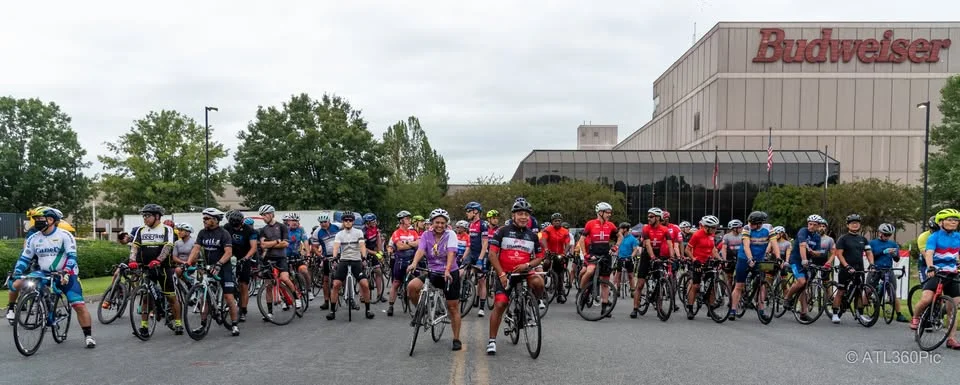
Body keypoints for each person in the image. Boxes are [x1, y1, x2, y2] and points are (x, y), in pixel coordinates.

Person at [9, 207, 96, 348]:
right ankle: (43, 303)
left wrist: (66, 271)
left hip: (66, 273)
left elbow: (72, 257)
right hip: (44, 273)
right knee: (22, 282)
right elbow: (24, 258)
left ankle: (88, 336)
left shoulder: (64, 235)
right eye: (35, 219)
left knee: (78, 305)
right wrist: (16, 271)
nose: (36, 222)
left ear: (50, 220)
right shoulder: (34, 237)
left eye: (39, 219)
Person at [486, 198, 545, 355]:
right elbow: (492, 254)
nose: (523, 217)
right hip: (505, 273)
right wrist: (501, 274)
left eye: (526, 214)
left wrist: (528, 265)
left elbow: (540, 256)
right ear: (513, 215)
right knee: (500, 305)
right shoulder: (502, 231)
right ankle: (492, 341)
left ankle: (532, 303)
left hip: (524, 271)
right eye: (520, 214)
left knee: (539, 282)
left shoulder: (532, 236)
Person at [405, 208, 463, 351]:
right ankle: (422, 312)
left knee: (453, 307)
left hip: (449, 273)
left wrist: (448, 270)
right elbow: (421, 250)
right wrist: (414, 263)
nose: (440, 225)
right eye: (437, 222)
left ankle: (456, 338)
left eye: (443, 223)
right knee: (411, 287)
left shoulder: (451, 234)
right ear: (432, 222)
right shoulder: (426, 234)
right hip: (432, 272)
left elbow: (451, 253)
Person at [127, 204, 182, 337]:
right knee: (146, 297)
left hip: (163, 268)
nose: (145, 218)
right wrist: (132, 260)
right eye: (143, 215)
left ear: (157, 216)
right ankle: (144, 327)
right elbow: (134, 247)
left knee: (170, 296)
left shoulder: (166, 229)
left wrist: (159, 260)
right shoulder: (141, 230)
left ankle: (178, 323)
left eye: (147, 215)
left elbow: (167, 247)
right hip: (147, 268)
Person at [186, 208, 240, 336]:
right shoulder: (202, 233)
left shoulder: (223, 233)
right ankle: (203, 324)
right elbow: (196, 249)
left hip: (223, 267)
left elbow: (228, 252)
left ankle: (234, 324)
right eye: (203, 218)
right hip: (209, 267)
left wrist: (220, 264)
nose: (204, 220)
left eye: (206, 218)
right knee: (203, 297)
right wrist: (188, 263)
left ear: (215, 220)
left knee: (228, 296)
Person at [910, 208, 960, 349]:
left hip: (952, 273)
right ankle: (916, 317)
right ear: (941, 222)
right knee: (926, 299)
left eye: (956, 220)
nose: (953, 222)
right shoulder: (934, 237)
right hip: (936, 272)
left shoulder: (958, 237)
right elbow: (929, 253)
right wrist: (931, 267)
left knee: (953, 306)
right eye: (950, 220)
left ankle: (951, 339)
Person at [728, 211, 780, 321]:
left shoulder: (769, 228)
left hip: (760, 259)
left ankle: (761, 310)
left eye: (753, 224)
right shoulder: (747, 228)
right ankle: (732, 310)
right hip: (744, 258)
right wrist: (750, 258)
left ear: (760, 223)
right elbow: (746, 245)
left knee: (762, 284)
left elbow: (774, 243)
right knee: (739, 285)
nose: (750, 225)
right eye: (750, 223)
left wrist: (779, 257)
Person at [327, 212, 375, 320]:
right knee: (336, 284)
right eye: (346, 220)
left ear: (353, 222)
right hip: (343, 261)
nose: (348, 222)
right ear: (343, 222)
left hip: (356, 261)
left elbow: (362, 245)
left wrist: (363, 256)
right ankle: (332, 311)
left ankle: (368, 310)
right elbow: (336, 246)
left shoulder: (358, 232)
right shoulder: (339, 234)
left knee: (365, 284)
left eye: (350, 220)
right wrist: (334, 257)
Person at [257, 205, 302, 320]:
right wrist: (277, 241)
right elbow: (262, 245)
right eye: (262, 215)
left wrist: (270, 243)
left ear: (272, 214)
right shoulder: (263, 230)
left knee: (285, 279)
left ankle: (296, 299)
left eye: (265, 214)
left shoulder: (282, 227)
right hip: (268, 258)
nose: (263, 217)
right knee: (268, 286)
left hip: (281, 258)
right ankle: (270, 312)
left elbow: (285, 244)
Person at [578, 202, 620, 318]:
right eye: (607, 212)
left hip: (606, 254)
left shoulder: (610, 225)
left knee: (605, 282)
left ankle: (604, 308)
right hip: (593, 253)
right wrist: (585, 254)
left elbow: (620, 236)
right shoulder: (590, 224)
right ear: (600, 212)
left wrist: (616, 246)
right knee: (590, 271)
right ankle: (581, 292)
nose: (609, 214)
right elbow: (581, 240)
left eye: (610, 212)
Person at [831, 213, 874, 324]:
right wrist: (846, 266)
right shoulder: (843, 239)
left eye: (857, 223)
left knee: (859, 292)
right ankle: (835, 313)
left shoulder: (863, 239)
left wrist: (872, 264)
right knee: (841, 291)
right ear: (848, 225)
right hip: (846, 269)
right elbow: (839, 254)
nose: (855, 225)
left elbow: (869, 252)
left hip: (859, 268)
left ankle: (860, 314)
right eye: (852, 223)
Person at [632, 207, 672, 318]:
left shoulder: (664, 229)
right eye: (648, 216)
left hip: (658, 254)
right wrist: (652, 257)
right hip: (647, 254)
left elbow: (670, 244)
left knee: (659, 281)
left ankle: (659, 307)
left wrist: (672, 257)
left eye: (651, 216)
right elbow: (648, 244)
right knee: (640, 284)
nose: (648, 218)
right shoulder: (646, 228)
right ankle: (635, 308)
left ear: (658, 218)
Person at [784, 215, 824, 322]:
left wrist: (812, 252)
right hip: (796, 260)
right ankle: (787, 298)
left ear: (819, 226)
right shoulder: (803, 231)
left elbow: (819, 252)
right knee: (801, 282)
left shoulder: (817, 237)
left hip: (807, 262)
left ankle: (803, 313)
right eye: (810, 224)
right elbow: (802, 246)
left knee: (804, 288)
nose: (811, 226)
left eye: (814, 225)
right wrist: (804, 259)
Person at [869, 223, 908, 323]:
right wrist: (883, 252)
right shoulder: (873, 243)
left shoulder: (893, 244)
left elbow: (897, 259)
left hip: (888, 269)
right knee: (868, 289)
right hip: (876, 268)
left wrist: (895, 254)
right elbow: (871, 256)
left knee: (893, 292)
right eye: (885, 234)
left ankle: (899, 314)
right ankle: (860, 310)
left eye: (889, 235)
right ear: (880, 233)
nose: (887, 237)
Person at [684, 215, 721, 320]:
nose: (715, 229)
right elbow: (687, 250)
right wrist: (694, 260)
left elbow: (713, 249)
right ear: (706, 227)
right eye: (713, 227)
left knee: (713, 285)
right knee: (695, 286)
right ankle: (690, 309)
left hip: (708, 262)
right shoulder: (697, 235)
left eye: (715, 227)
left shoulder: (712, 235)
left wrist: (720, 259)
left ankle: (711, 310)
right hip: (698, 262)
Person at [224, 210, 258, 322]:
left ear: (242, 222)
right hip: (230, 256)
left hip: (244, 256)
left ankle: (243, 310)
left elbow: (253, 247)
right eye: (234, 226)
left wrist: (246, 258)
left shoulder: (250, 230)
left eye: (238, 226)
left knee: (243, 285)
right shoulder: (226, 227)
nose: (236, 228)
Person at [386, 211, 418, 316]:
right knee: (396, 283)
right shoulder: (396, 233)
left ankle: (418, 306)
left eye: (410, 218)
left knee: (416, 284)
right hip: (400, 261)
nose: (410, 220)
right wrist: (412, 245)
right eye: (407, 218)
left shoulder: (413, 232)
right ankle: (391, 306)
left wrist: (407, 243)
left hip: (413, 260)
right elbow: (399, 247)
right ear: (401, 221)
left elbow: (419, 243)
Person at [310, 213, 340, 311]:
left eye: (325, 222)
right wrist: (320, 256)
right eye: (321, 222)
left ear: (329, 221)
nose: (323, 224)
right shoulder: (317, 232)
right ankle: (326, 301)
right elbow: (314, 247)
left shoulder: (337, 226)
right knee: (326, 279)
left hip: (339, 254)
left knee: (341, 276)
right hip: (326, 256)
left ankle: (346, 294)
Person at [284, 212, 314, 301]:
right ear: (288, 221)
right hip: (285, 256)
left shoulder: (301, 229)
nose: (294, 222)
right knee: (285, 278)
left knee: (304, 270)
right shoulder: (284, 230)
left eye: (296, 220)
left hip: (296, 255)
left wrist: (308, 253)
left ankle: (309, 290)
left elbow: (305, 241)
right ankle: (285, 299)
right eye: (292, 220)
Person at [362, 213, 386, 302]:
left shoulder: (376, 229)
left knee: (378, 272)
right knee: (363, 274)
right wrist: (375, 253)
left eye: (375, 221)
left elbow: (378, 242)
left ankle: (379, 294)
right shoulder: (363, 232)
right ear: (367, 223)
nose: (375, 222)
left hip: (374, 251)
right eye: (373, 221)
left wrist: (380, 253)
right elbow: (363, 247)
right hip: (364, 252)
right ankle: (362, 295)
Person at [614, 222, 640, 301]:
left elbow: (635, 249)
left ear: (625, 229)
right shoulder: (620, 237)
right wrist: (615, 253)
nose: (619, 230)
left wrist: (631, 256)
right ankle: (618, 289)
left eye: (621, 228)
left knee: (630, 276)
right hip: (620, 258)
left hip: (629, 258)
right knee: (618, 274)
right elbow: (617, 247)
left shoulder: (632, 239)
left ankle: (632, 290)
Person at [916, 216, 938, 282]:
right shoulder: (923, 237)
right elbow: (926, 255)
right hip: (925, 264)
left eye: (937, 230)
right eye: (933, 230)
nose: (935, 233)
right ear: (929, 228)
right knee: (927, 286)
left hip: (940, 263)